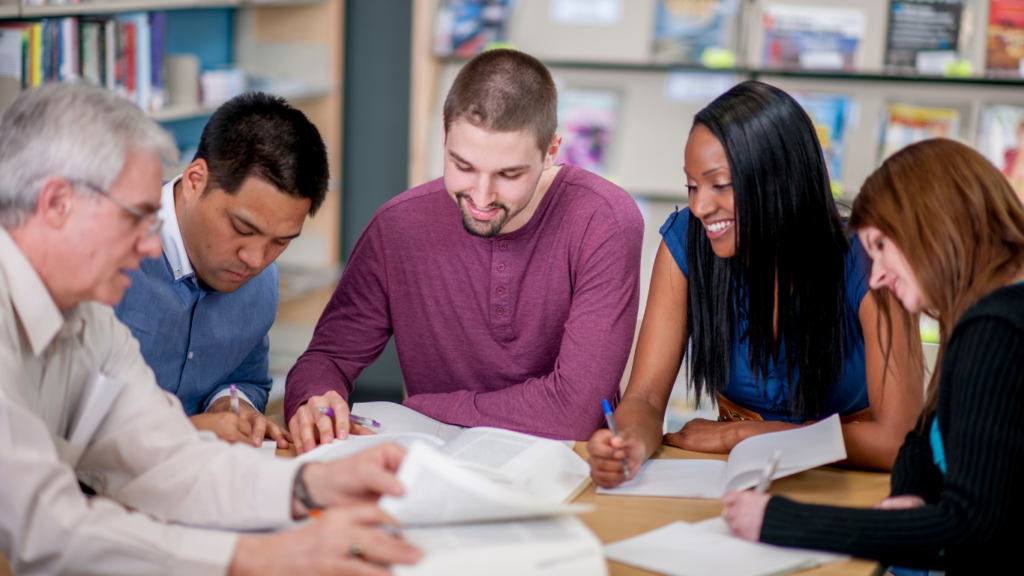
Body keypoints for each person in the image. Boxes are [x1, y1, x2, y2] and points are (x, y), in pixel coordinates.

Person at [0, 83, 420, 575]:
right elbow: (48, 530)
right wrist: (252, 557)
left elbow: (162, 456)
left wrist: (307, 487)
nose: (151, 246)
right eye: (137, 217)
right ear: (56, 204)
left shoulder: (87, 316)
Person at [285, 48, 644, 453]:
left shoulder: (605, 221)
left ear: (551, 151)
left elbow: (575, 412)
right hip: (437, 466)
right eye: (463, 165)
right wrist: (315, 397)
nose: (482, 196)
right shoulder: (398, 226)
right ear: (444, 132)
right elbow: (326, 357)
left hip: (567, 467)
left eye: (509, 174)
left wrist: (431, 407)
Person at [588, 81, 923, 487]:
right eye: (692, 186)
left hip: (849, 484)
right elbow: (644, 398)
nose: (700, 207)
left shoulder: (872, 260)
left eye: (720, 185)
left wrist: (742, 434)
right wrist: (629, 443)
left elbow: (897, 443)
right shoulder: (686, 242)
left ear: (780, 180)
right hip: (729, 482)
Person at [722, 138, 1024, 575]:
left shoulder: (995, 329)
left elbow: (970, 525)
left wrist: (780, 520)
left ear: (935, 224)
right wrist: (910, 494)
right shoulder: (978, 308)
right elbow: (923, 439)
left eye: (881, 245)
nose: (877, 276)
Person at [114, 92, 329, 448]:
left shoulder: (260, 282)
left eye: (281, 240)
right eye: (243, 229)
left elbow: (245, 378)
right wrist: (185, 432)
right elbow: (63, 420)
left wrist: (231, 406)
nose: (256, 259)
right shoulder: (106, 256)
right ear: (196, 179)